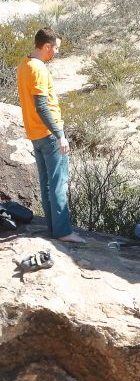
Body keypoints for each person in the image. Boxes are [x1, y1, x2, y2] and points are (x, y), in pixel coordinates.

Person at [17, 27, 85, 243]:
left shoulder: (24, 63)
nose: (56, 52)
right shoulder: (38, 69)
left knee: (46, 182)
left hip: (35, 133)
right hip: (48, 133)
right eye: (55, 48)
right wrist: (59, 134)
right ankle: (64, 231)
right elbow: (42, 106)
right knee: (58, 183)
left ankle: (53, 228)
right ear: (46, 46)